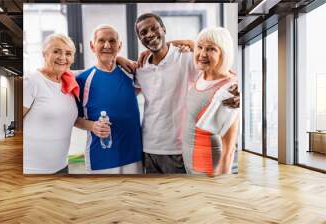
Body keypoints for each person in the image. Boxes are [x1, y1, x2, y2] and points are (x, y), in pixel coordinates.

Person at [130, 13, 239, 174]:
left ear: (164, 29)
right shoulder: (140, 67)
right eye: (143, 32)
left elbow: (221, 70)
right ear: (140, 39)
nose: (150, 34)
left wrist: (236, 88)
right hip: (148, 147)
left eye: (154, 28)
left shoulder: (184, 57)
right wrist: (118, 59)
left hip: (176, 149)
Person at [75, 24, 143, 174]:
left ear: (119, 45)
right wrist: (92, 126)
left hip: (134, 155)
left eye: (112, 41)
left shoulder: (132, 74)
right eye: (101, 41)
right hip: (101, 158)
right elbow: (74, 119)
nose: (107, 45)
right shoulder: (82, 79)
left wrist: (119, 59)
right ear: (92, 46)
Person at [182, 27, 239, 176]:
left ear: (224, 53)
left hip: (208, 169)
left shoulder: (230, 90)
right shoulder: (202, 74)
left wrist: (221, 183)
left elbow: (229, 149)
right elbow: (191, 45)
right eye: (200, 47)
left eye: (211, 49)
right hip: (188, 164)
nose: (202, 54)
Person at [23, 34, 80, 174]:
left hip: (61, 166)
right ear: (44, 54)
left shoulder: (68, 81)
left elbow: (95, 70)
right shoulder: (32, 81)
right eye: (56, 51)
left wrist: (119, 59)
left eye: (68, 53)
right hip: (32, 169)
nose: (62, 57)